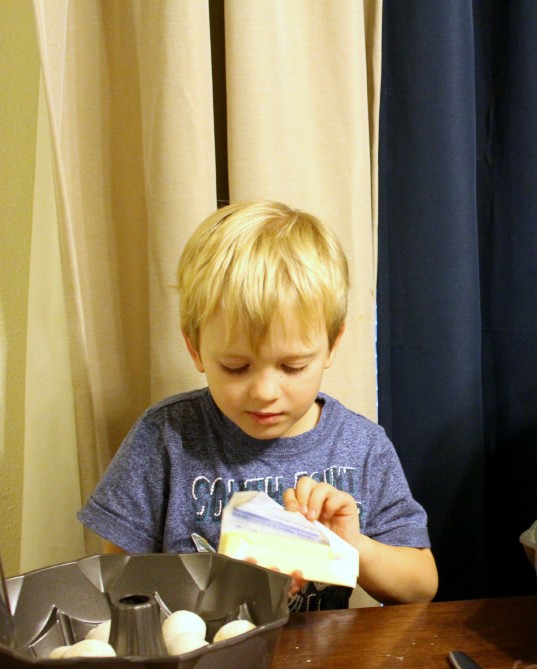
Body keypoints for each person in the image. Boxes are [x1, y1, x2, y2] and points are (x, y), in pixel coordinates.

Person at [79, 200, 438, 609]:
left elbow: (421, 586)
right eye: (235, 367)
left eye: (292, 366)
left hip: (323, 667)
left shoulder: (362, 446)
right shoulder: (166, 436)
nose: (265, 391)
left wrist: (352, 546)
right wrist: (217, 588)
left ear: (332, 345)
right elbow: (115, 583)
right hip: (201, 663)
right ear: (195, 349)